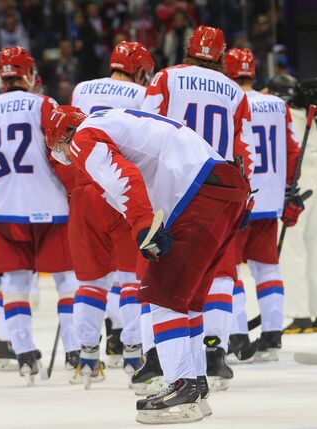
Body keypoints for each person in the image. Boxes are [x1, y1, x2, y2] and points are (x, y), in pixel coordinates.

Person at [45, 105, 250, 424]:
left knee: (161, 297)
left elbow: (122, 177)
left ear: (65, 136)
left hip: (197, 194)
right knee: (189, 301)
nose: (63, 154)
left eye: (58, 146)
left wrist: (143, 226)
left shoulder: (84, 136)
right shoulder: (113, 117)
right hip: (227, 186)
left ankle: (180, 388)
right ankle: (195, 384)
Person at [141, 25, 254, 390]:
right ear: (221, 56)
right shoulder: (235, 91)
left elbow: (146, 130)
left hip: (175, 189)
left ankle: (157, 359)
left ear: (188, 49)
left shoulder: (166, 78)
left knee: (160, 279)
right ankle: (214, 353)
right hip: (220, 190)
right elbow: (242, 154)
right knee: (217, 275)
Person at [0, 46, 79, 384]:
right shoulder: (44, 104)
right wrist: (76, 191)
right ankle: (78, 352)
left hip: (5, 211)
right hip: (52, 209)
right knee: (68, 281)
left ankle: (24, 354)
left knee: (14, 285)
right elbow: (61, 151)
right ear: (29, 74)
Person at [69, 41, 155, 382]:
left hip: (83, 187)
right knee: (132, 280)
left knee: (90, 283)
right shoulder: (140, 94)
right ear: (139, 70)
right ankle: (133, 355)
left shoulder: (81, 89)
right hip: (120, 190)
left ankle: (87, 359)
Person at [224, 49, 301, 362]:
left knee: (229, 270)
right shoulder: (277, 105)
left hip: (239, 199)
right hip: (269, 200)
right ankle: (272, 335)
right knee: (267, 268)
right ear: (253, 73)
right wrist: (289, 191)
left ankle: (238, 335)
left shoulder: (227, 101)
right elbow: (292, 152)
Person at [272, 75, 317, 333]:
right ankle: (314, 310)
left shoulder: (282, 114)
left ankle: (300, 314)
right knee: (314, 246)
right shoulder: (308, 114)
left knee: (293, 247)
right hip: (316, 178)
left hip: (297, 182)